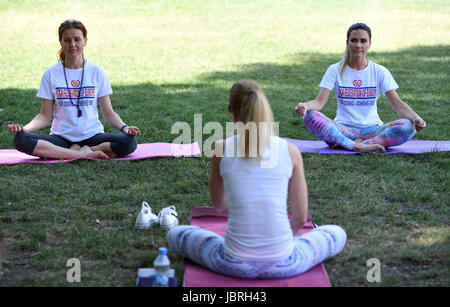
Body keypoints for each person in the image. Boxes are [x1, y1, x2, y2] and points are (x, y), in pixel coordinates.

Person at [167, 80, 347, 279]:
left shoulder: (220, 148)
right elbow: (300, 218)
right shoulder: (290, 151)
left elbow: (220, 205)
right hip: (285, 263)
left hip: (232, 263)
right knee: (336, 232)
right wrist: (278, 245)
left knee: (176, 234)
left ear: (234, 115)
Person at [8, 20, 140, 160]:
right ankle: (81, 154)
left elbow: (109, 114)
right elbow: (44, 117)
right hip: (61, 138)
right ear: (61, 42)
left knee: (129, 141)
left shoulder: (97, 72)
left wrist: (125, 128)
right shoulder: (51, 74)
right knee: (21, 139)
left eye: (77, 39)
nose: (72, 45)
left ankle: (83, 150)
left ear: (85, 41)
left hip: (93, 136)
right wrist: (25, 129)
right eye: (67, 40)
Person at [295, 23, 426, 152]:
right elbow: (319, 102)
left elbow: (397, 103)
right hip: (342, 129)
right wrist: (306, 106)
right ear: (347, 43)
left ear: (370, 44)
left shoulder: (380, 71)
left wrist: (415, 118)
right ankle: (356, 145)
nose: (358, 45)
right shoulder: (334, 70)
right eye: (354, 41)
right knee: (309, 116)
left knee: (408, 126)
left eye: (363, 41)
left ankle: (354, 144)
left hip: (373, 130)